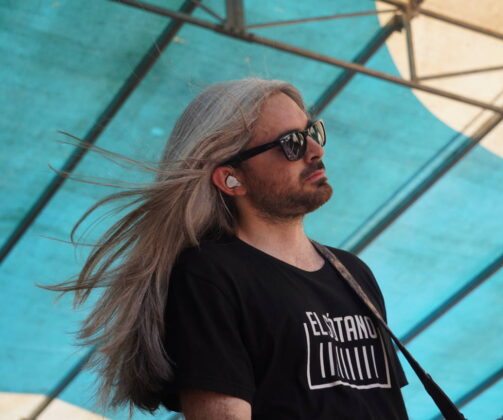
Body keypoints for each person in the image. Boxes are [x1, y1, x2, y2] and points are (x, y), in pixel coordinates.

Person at [51, 79, 408, 419]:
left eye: (311, 132)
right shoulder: (209, 275)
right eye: (291, 144)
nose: (316, 151)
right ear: (231, 179)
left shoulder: (352, 271)